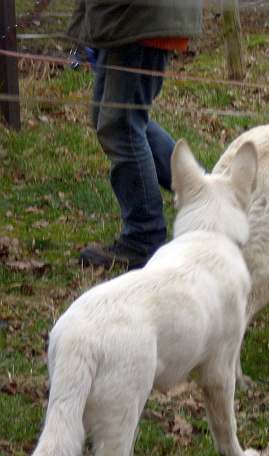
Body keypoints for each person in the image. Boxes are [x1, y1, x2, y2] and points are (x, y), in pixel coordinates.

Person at [66, 0, 203, 269]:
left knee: (122, 126)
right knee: (115, 121)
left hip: (137, 16)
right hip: (133, 16)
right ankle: (201, 190)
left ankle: (144, 236)